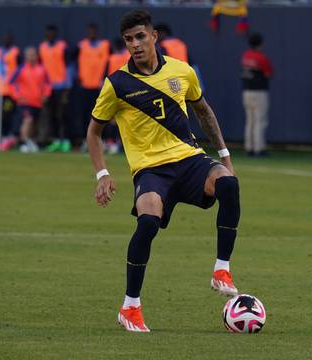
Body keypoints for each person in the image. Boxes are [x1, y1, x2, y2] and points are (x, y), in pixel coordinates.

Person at [87, 10, 241, 333]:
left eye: (141, 36)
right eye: (129, 40)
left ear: (154, 36)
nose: (135, 44)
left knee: (228, 185)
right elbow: (94, 131)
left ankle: (221, 270)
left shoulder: (182, 72)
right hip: (150, 170)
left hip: (189, 160)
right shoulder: (117, 84)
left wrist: (224, 155)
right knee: (148, 223)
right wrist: (102, 173)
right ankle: (130, 307)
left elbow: (204, 112)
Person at [10, 47, 51, 153]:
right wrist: (17, 96)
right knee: (28, 120)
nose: (32, 57)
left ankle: (30, 141)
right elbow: (11, 83)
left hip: (37, 102)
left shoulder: (42, 69)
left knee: (33, 124)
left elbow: (47, 84)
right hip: (24, 102)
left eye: (33, 54)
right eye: (30, 55)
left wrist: (45, 95)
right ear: (26, 56)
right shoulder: (21, 69)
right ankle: (23, 143)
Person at [39, 24, 73, 152]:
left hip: (61, 86)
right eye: (48, 33)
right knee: (51, 115)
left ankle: (66, 141)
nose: (50, 35)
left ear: (56, 34)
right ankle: (56, 140)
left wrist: (67, 86)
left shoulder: (62, 47)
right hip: (48, 87)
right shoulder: (42, 47)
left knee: (63, 114)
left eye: (53, 33)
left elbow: (69, 66)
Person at [77, 23, 110, 151]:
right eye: (89, 31)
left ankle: (103, 141)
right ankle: (87, 141)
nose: (91, 34)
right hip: (85, 85)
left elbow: (109, 62)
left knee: (101, 115)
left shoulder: (105, 45)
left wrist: (104, 79)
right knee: (85, 115)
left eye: (93, 31)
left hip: (99, 86)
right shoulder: (82, 45)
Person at [241, 33, 273, 157]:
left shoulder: (245, 55)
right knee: (260, 121)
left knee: (250, 121)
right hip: (259, 92)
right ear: (260, 44)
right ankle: (259, 149)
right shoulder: (261, 57)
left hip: (246, 91)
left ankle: (249, 147)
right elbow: (268, 73)